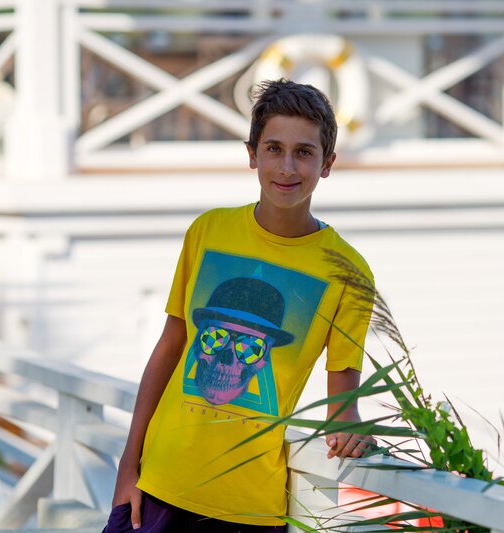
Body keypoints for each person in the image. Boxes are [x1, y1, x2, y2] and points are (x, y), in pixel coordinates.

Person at [105, 79, 376, 533]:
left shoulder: (349, 273)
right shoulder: (208, 231)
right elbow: (170, 348)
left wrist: (351, 424)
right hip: (157, 486)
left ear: (327, 163)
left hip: (249, 508)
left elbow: (342, 403)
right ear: (252, 155)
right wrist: (128, 465)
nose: (286, 167)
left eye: (304, 152)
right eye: (273, 149)